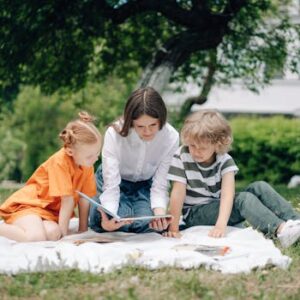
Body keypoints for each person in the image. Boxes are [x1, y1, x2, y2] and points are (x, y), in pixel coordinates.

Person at [164, 109, 300, 248]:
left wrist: (220, 223)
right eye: (192, 145)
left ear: (217, 144)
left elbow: (227, 195)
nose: (196, 151)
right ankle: (281, 231)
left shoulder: (225, 160)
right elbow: (177, 193)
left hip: (219, 207)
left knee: (260, 186)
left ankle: (296, 223)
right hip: (195, 214)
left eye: (203, 148)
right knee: (243, 199)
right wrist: (173, 228)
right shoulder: (181, 156)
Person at [0, 111, 102, 242]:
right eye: (90, 156)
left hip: (48, 213)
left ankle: (31, 227)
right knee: (36, 238)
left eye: (97, 153)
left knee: (53, 233)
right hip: (29, 206)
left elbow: (84, 198)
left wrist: (83, 230)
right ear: (70, 151)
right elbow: (67, 200)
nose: (96, 158)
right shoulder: (60, 162)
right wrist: (64, 237)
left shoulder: (87, 164)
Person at [89, 87, 179, 233]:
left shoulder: (171, 137)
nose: (148, 131)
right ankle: (101, 217)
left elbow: (160, 183)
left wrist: (159, 215)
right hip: (114, 180)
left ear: (161, 120)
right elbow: (111, 184)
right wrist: (109, 219)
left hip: (145, 185)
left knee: (146, 224)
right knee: (117, 221)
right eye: (140, 126)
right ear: (131, 122)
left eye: (153, 125)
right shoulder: (114, 134)